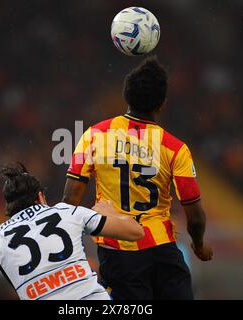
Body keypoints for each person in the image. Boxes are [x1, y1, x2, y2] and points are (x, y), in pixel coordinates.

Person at [62, 57, 213, 300]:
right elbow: (194, 215)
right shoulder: (175, 148)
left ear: (126, 96)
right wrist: (198, 244)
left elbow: (70, 200)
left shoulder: (94, 135)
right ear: (162, 104)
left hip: (118, 252)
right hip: (163, 251)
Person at [0, 163, 144, 300]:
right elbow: (136, 233)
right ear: (41, 197)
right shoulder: (66, 211)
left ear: (8, 208)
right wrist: (111, 212)